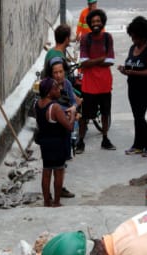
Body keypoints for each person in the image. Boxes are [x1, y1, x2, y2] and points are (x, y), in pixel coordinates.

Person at [118, 16, 147, 157]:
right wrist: (124, 70)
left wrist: (134, 72)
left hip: (145, 87)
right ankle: (138, 145)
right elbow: (130, 66)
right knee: (136, 116)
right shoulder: (132, 48)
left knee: (140, 116)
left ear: (143, 36)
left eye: (136, 37)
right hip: (132, 87)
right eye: (132, 37)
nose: (134, 40)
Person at [76, 8, 115, 152]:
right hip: (89, 85)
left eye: (98, 21)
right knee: (84, 116)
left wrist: (92, 61)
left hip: (105, 84)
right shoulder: (86, 38)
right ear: (89, 24)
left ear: (102, 22)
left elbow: (111, 60)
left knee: (105, 113)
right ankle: (80, 141)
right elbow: (84, 62)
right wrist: (101, 59)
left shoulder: (107, 37)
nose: (96, 24)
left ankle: (105, 139)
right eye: (93, 22)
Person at [34, 77, 75, 207]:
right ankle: (57, 201)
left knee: (46, 172)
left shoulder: (38, 105)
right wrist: (72, 114)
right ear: (49, 91)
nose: (59, 89)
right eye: (56, 88)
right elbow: (69, 127)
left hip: (45, 143)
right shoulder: (55, 107)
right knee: (58, 172)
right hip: (57, 143)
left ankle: (46, 201)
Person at [49, 56, 81, 199]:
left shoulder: (67, 84)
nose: (59, 75)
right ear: (51, 74)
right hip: (55, 129)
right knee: (52, 163)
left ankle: (59, 187)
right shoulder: (49, 87)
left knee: (62, 162)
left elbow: (74, 102)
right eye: (55, 73)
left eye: (61, 72)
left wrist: (73, 109)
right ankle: (52, 193)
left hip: (67, 127)